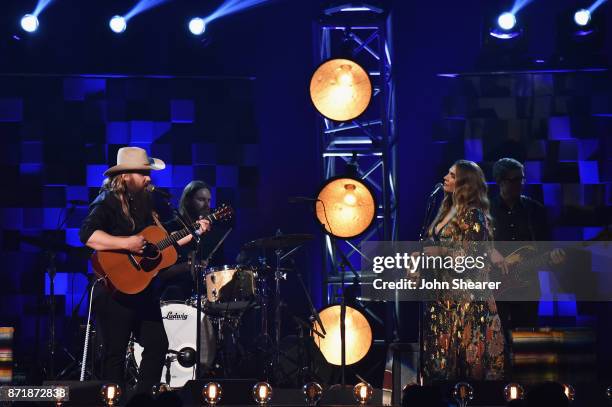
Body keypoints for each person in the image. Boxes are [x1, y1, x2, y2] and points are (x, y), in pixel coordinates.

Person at [79, 147, 210, 395]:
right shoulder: (107, 201)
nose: (148, 177)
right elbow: (88, 235)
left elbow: (161, 243)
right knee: (114, 356)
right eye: (142, 173)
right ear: (125, 176)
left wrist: (194, 232)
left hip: (142, 291)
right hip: (115, 290)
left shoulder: (148, 204)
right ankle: (114, 401)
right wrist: (127, 243)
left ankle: (141, 399)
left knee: (158, 344)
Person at [421, 159, 505, 381]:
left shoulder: (473, 215)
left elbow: (473, 258)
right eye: (447, 174)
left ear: (465, 183)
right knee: (439, 366)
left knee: (468, 367)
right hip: (442, 299)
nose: (445, 178)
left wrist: (441, 252)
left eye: (452, 175)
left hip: (466, 303)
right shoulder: (445, 209)